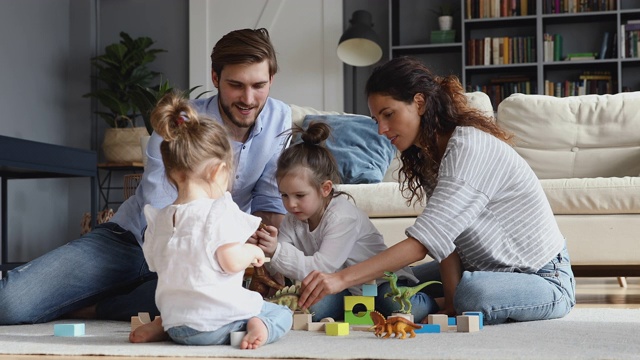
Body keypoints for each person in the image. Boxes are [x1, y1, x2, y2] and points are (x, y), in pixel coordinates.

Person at [0, 28, 290, 325]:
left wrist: (262, 258)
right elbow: (164, 212)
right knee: (10, 304)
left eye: (259, 85)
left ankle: (100, 306)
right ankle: (122, 293)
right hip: (134, 240)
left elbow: (269, 202)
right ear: (215, 79)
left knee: (210, 309)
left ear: (271, 80)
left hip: (208, 255)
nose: (248, 98)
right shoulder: (180, 123)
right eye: (236, 85)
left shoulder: (280, 118)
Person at [297, 56, 576, 325]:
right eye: (376, 120)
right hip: (479, 268)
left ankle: (465, 296)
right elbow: (446, 245)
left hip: (542, 276)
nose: (382, 129)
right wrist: (452, 306)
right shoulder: (431, 155)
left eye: (388, 114)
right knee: (395, 285)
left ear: (419, 102)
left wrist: (341, 277)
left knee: (473, 295)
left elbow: (424, 243)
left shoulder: (468, 148)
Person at [128, 93, 291, 348]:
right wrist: (251, 251)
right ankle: (261, 326)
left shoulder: (160, 218)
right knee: (279, 312)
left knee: (184, 296)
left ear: (171, 173)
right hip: (212, 325)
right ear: (218, 171)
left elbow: (158, 265)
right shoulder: (218, 212)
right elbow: (230, 261)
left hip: (177, 322)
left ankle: (162, 325)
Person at [253, 121, 439, 322]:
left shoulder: (342, 216)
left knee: (396, 306)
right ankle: (351, 310)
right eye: (284, 195)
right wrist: (266, 247)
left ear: (325, 188)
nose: (291, 204)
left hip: (379, 282)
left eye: (299, 195)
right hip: (343, 289)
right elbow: (281, 259)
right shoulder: (293, 220)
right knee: (311, 308)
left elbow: (321, 267)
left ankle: (437, 300)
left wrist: (277, 251)